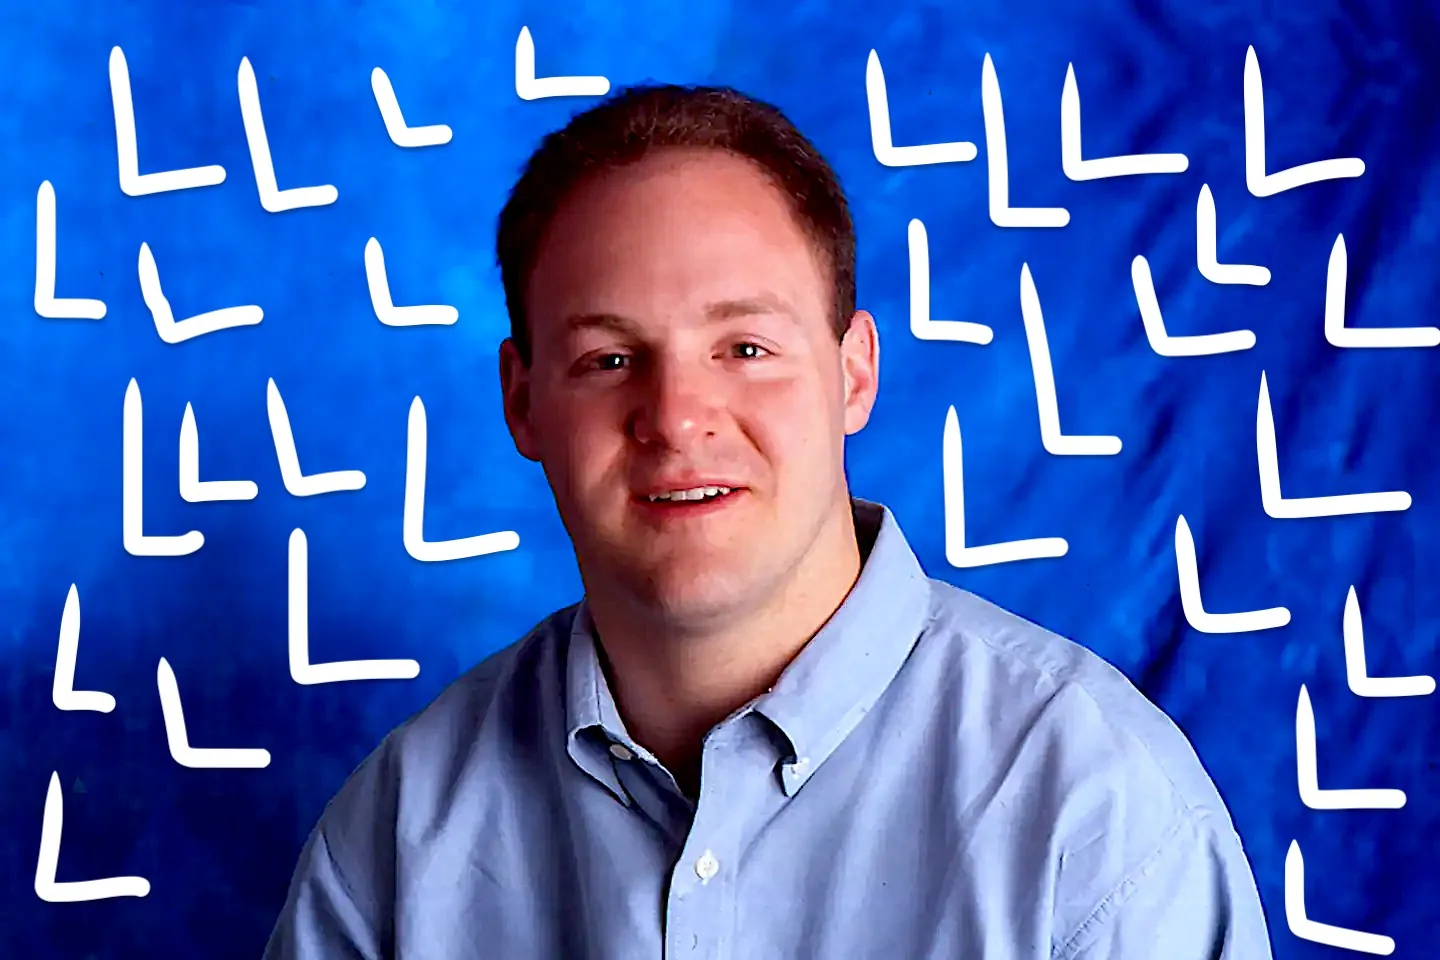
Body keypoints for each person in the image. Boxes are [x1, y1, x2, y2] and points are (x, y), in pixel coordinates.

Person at [264, 83, 1273, 959]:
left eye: (745, 348)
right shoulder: (402, 831)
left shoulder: (1093, 805)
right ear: (523, 403)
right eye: (610, 358)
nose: (677, 418)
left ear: (854, 373)